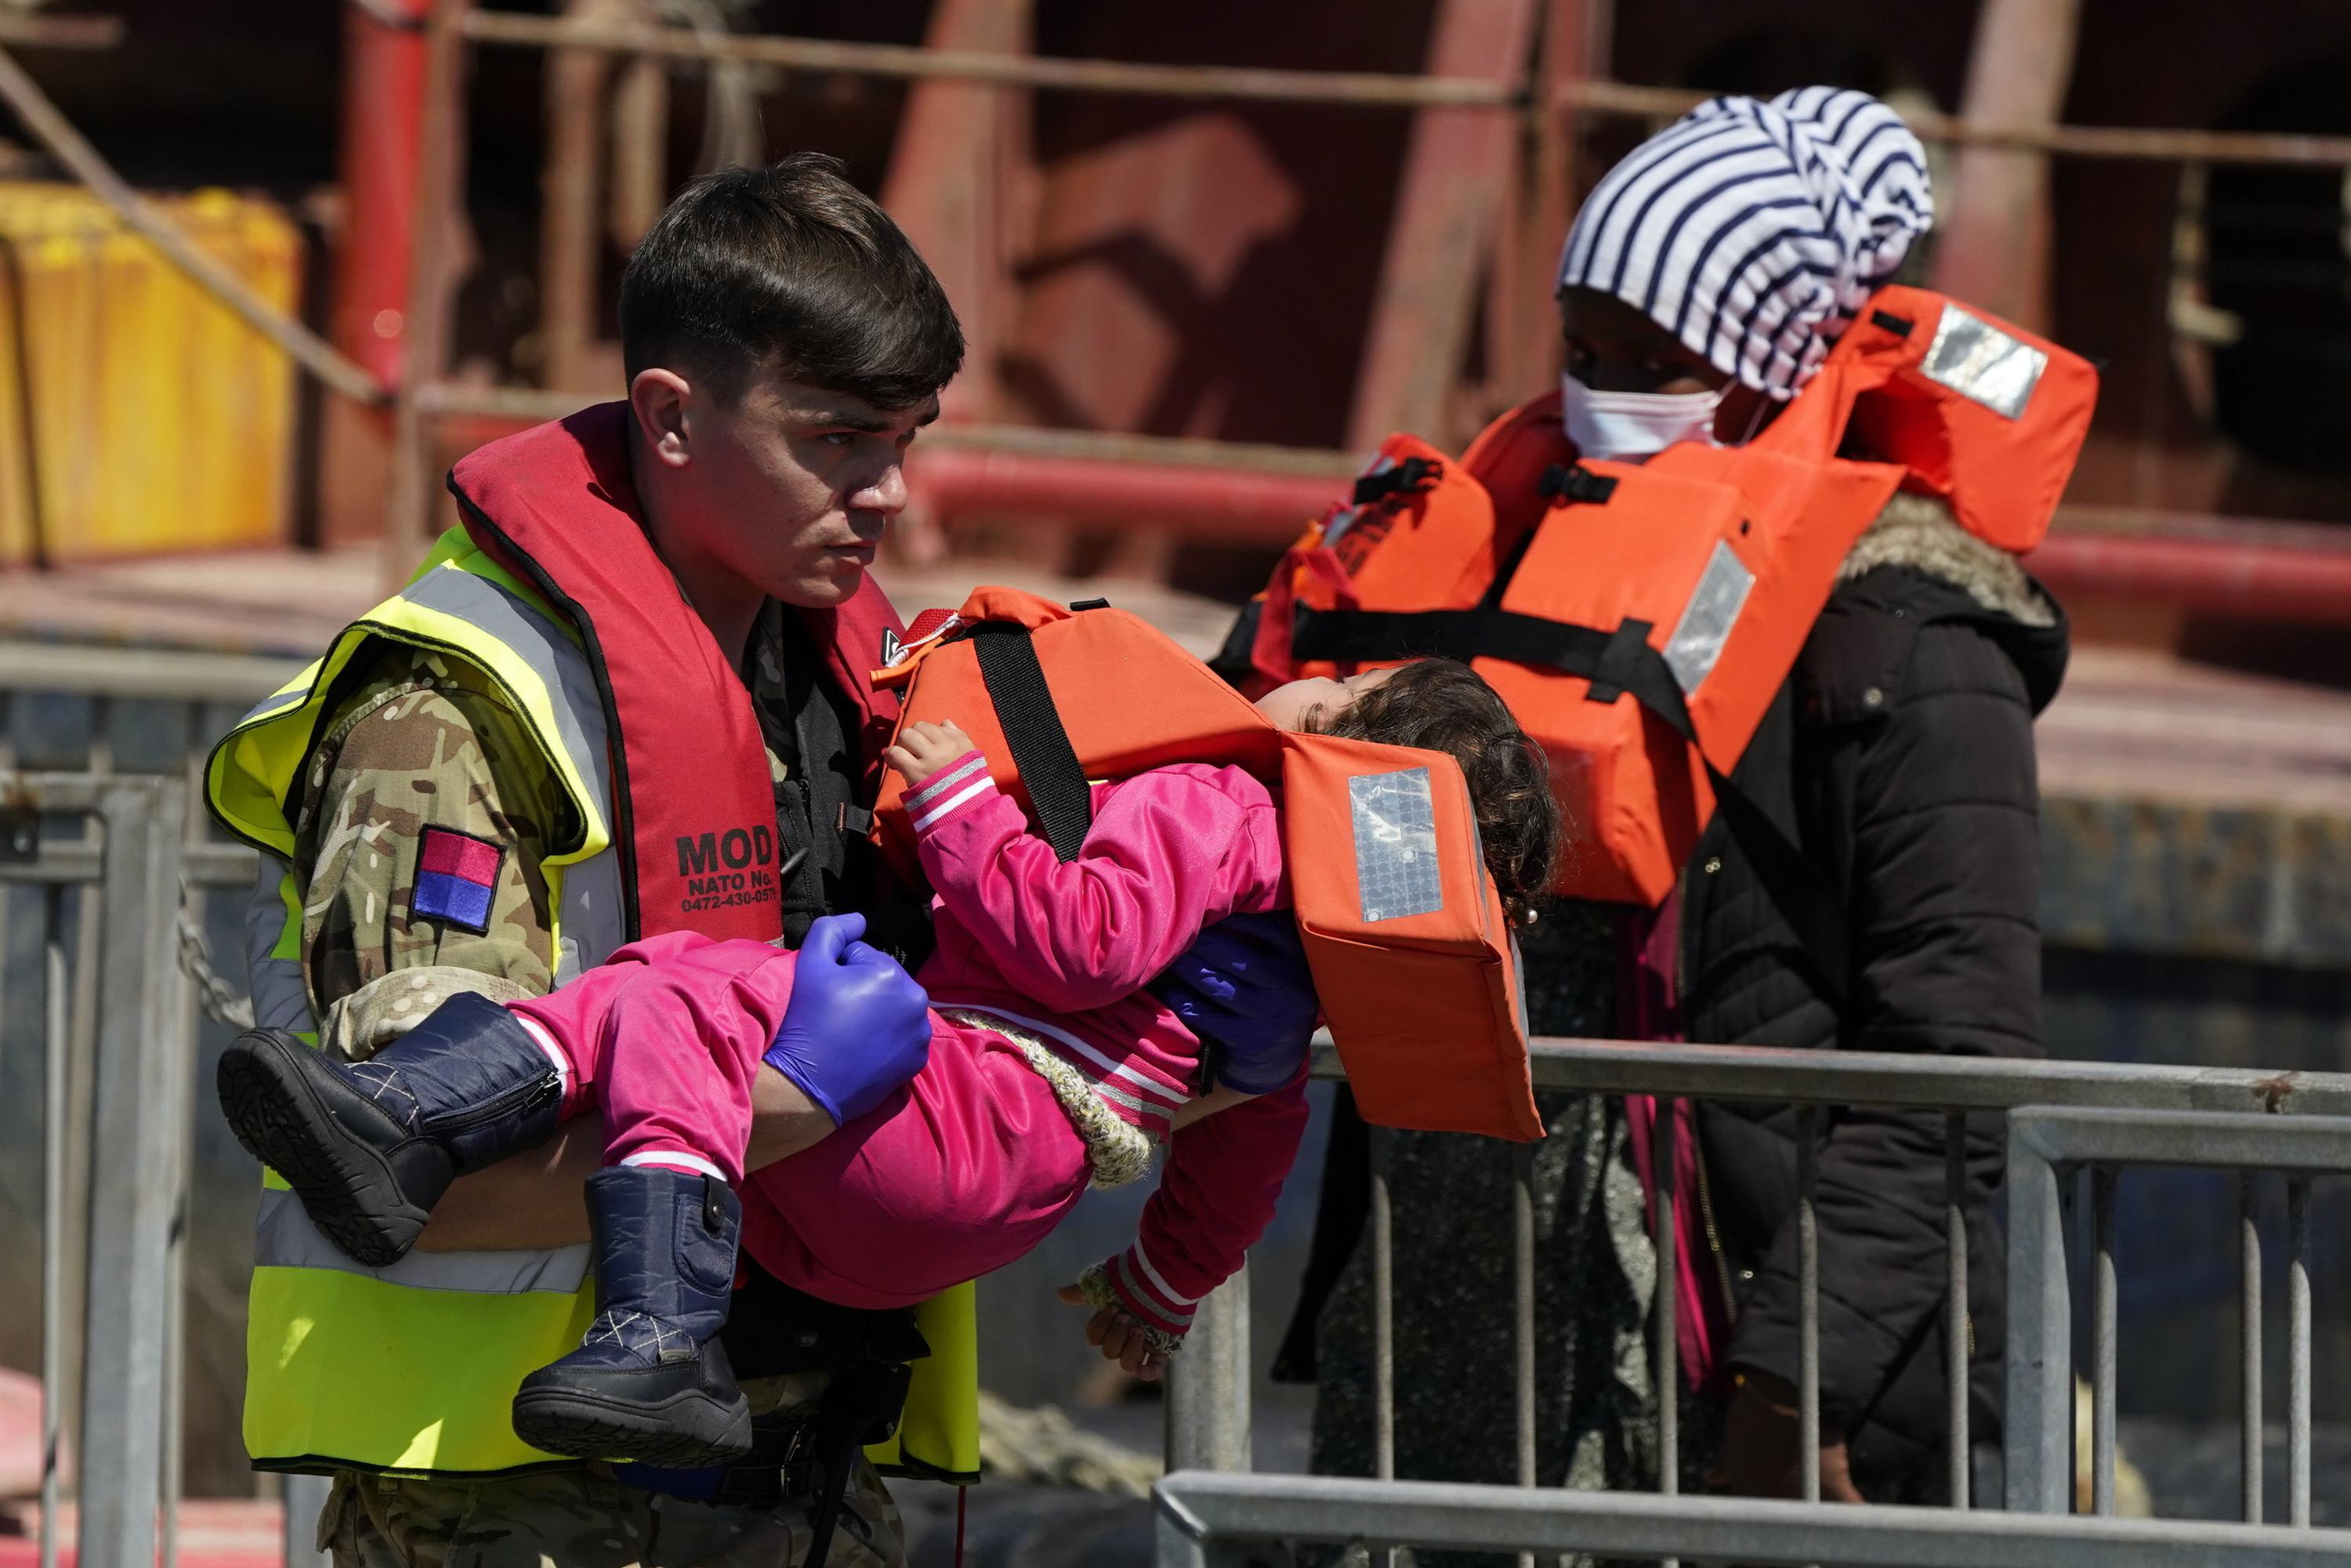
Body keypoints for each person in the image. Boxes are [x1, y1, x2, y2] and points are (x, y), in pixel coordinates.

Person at [205, 154, 1319, 1568]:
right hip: (526, 1517)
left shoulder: (866, 693)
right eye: (837, 439)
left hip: (821, 1496)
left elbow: (1012, 1054)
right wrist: (795, 1099)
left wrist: (1205, 1061)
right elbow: (404, 1168)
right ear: (671, 417)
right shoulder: (449, 717)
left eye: (906, 437)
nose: (889, 494)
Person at [1295, 87, 2067, 1539]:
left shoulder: (1916, 641)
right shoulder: (1520, 550)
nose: (1601, 390)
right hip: (1457, 1350)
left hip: (1734, 1378)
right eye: (1578, 347)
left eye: (1651, 360)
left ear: (1768, 358)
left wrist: (1793, 1400)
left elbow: (1955, 1061)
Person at [219, 657, 1563, 1468]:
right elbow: (1231, 1185)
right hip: (959, 1223)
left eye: (1330, 689)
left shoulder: (1237, 807)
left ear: (1348, 759)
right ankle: (404, 1118)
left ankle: (649, 1321)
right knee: (665, 995)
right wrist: (1153, 1297)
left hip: (949, 1106)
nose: (1295, 684)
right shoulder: (1290, 1013)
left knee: (671, 992)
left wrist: (961, 804)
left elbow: (1084, 940)